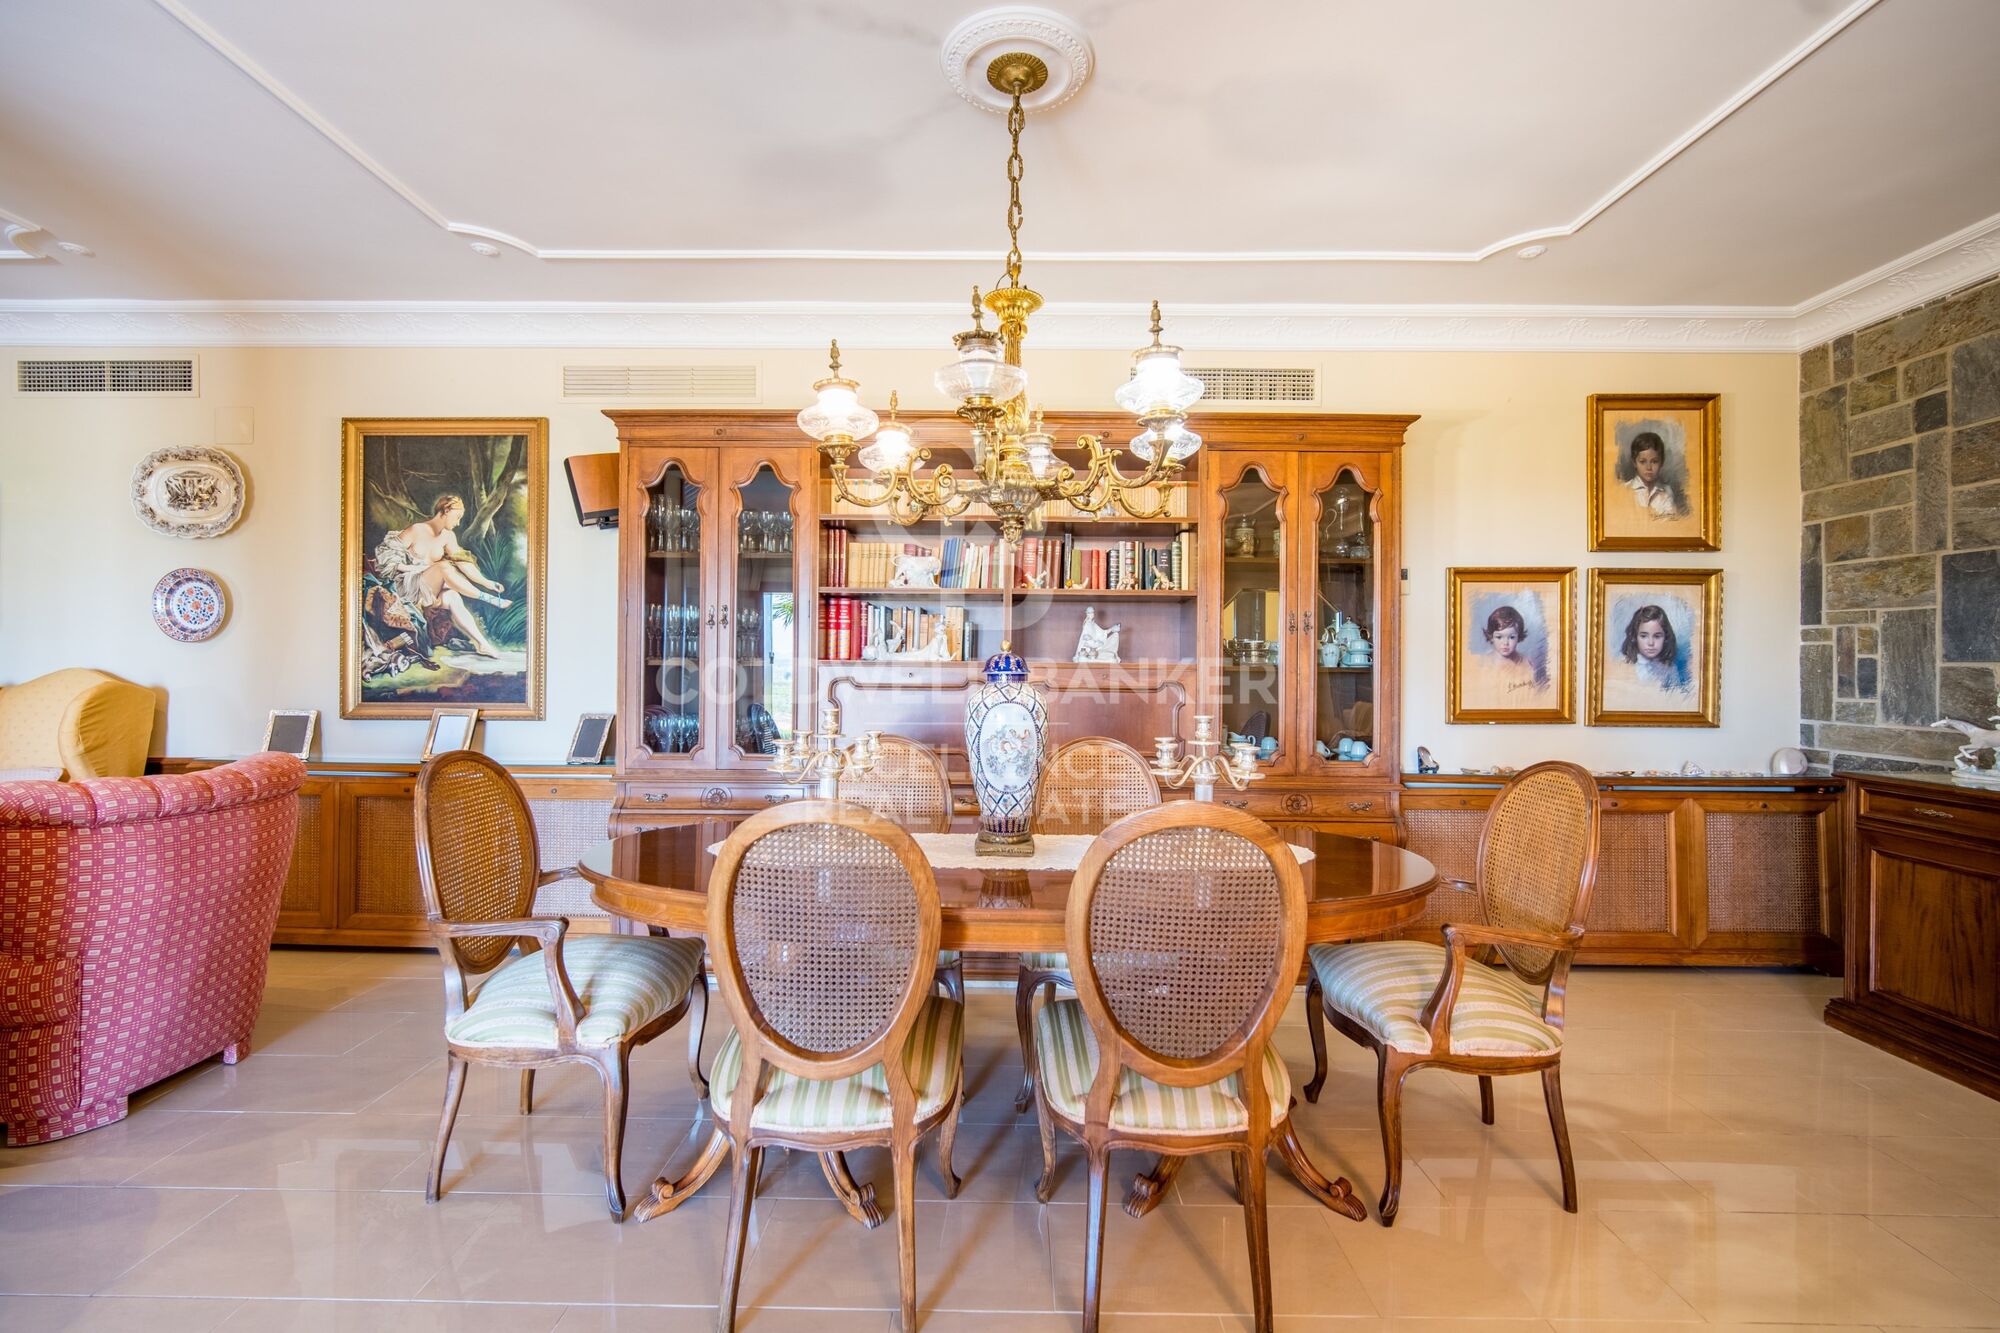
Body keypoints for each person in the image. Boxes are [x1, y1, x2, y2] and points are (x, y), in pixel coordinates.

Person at [372, 494, 513, 659]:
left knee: (453, 596)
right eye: (457, 517)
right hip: (406, 589)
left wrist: (487, 582)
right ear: (446, 510)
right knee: (443, 566)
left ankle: (482, 644)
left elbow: (464, 563)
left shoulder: (448, 536)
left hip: (429, 594)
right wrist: (420, 568)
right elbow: (388, 561)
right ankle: (488, 599)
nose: (458, 523)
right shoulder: (416, 530)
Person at [1604, 602, 1692, 710]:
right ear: (1635, 637)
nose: (1651, 643)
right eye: (1644, 636)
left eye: (1657, 636)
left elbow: (1677, 704)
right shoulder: (1623, 667)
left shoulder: (1670, 670)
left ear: (1666, 638)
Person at [1462, 604, 1548, 709]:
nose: (1505, 643)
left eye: (1511, 637)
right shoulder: (1482, 665)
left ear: (1519, 637)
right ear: (1491, 636)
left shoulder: (1527, 664)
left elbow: (1532, 699)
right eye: (1499, 637)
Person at [1623, 432, 1684, 520]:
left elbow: (1671, 523)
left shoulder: (1667, 491)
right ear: (1634, 463)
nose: (1649, 467)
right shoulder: (1625, 490)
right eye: (1643, 462)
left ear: (1661, 462)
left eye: (1654, 461)